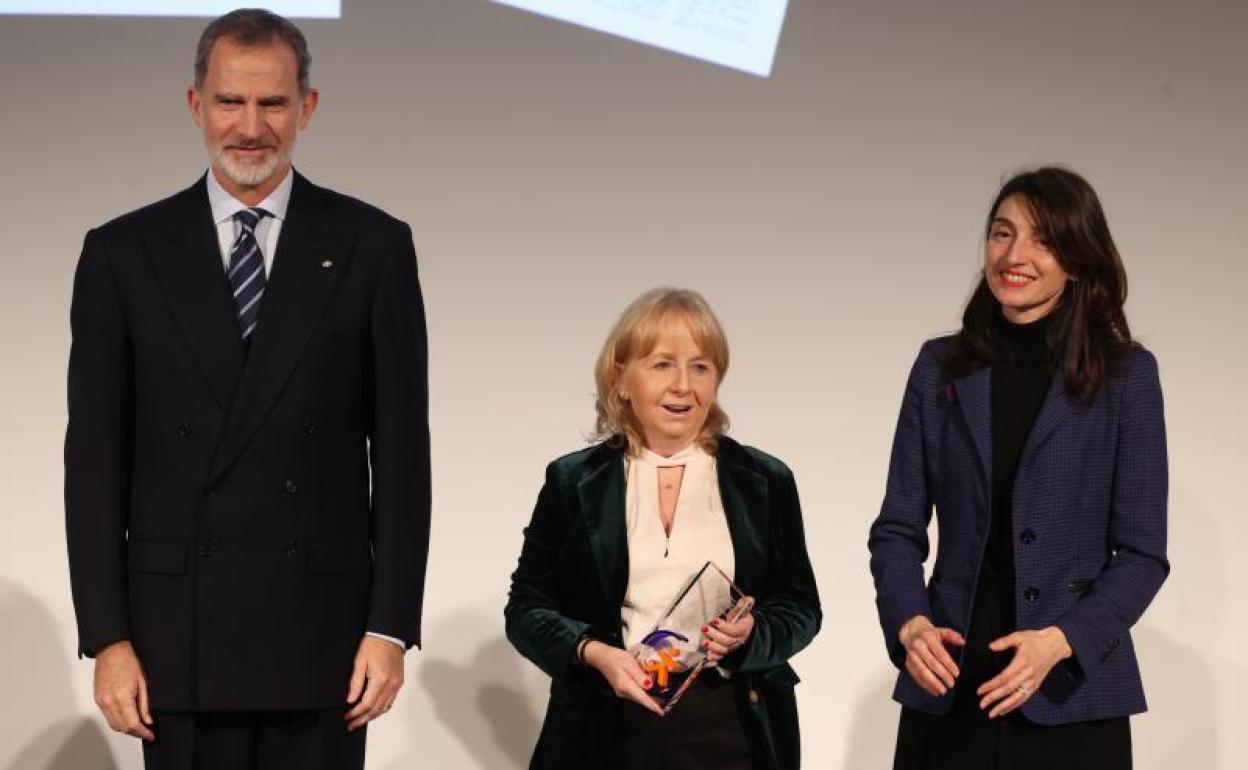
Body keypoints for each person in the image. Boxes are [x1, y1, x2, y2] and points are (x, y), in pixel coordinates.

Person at [64, 9, 430, 769]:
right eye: (231, 101)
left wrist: (389, 627)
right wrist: (108, 638)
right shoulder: (124, 253)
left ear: (308, 108)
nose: (251, 127)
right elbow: (93, 466)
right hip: (177, 637)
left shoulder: (372, 247)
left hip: (324, 636)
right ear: (196, 105)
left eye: (273, 103)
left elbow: (402, 456)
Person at [867, 166, 1169, 769]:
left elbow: (1142, 555)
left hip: (1069, 688)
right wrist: (910, 625)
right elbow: (897, 528)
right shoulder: (939, 368)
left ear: (1078, 261)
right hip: (950, 679)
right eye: (1002, 233)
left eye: (1043, 240)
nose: (1014, 255)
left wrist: (1060, 642)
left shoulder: (1126, 377)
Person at [505, 288, 821, 770]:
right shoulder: (573, 481)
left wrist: (752, 633)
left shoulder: (764, 480)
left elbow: (800, 607)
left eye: (701, 367)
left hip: (731, 730)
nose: (683, 386)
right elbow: (526, 609)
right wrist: (594, 653)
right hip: (604, 729)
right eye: (662, 365)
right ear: (621, 379)